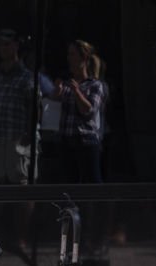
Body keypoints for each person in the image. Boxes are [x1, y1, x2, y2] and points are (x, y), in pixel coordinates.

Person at [0, 29, 37, 185]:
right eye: (0, 45)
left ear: (16, 46)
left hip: (18, 143)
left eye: (7, 44)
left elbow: (34, 109)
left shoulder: (27, 78)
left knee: (22, 187)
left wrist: (29, 135)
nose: (3, 48)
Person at [54, 40, 107, 183]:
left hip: (85, 142)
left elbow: (88, 110)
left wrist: (77, 91)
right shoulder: (66, 83)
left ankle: (92, 206)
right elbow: (53, 107)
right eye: (68, 54)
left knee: (91, 185)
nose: (69, 58)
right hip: (66, 141)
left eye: (73, 54)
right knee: (68, 185)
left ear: (83, 58)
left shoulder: (95, 85)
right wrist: (56, 93)